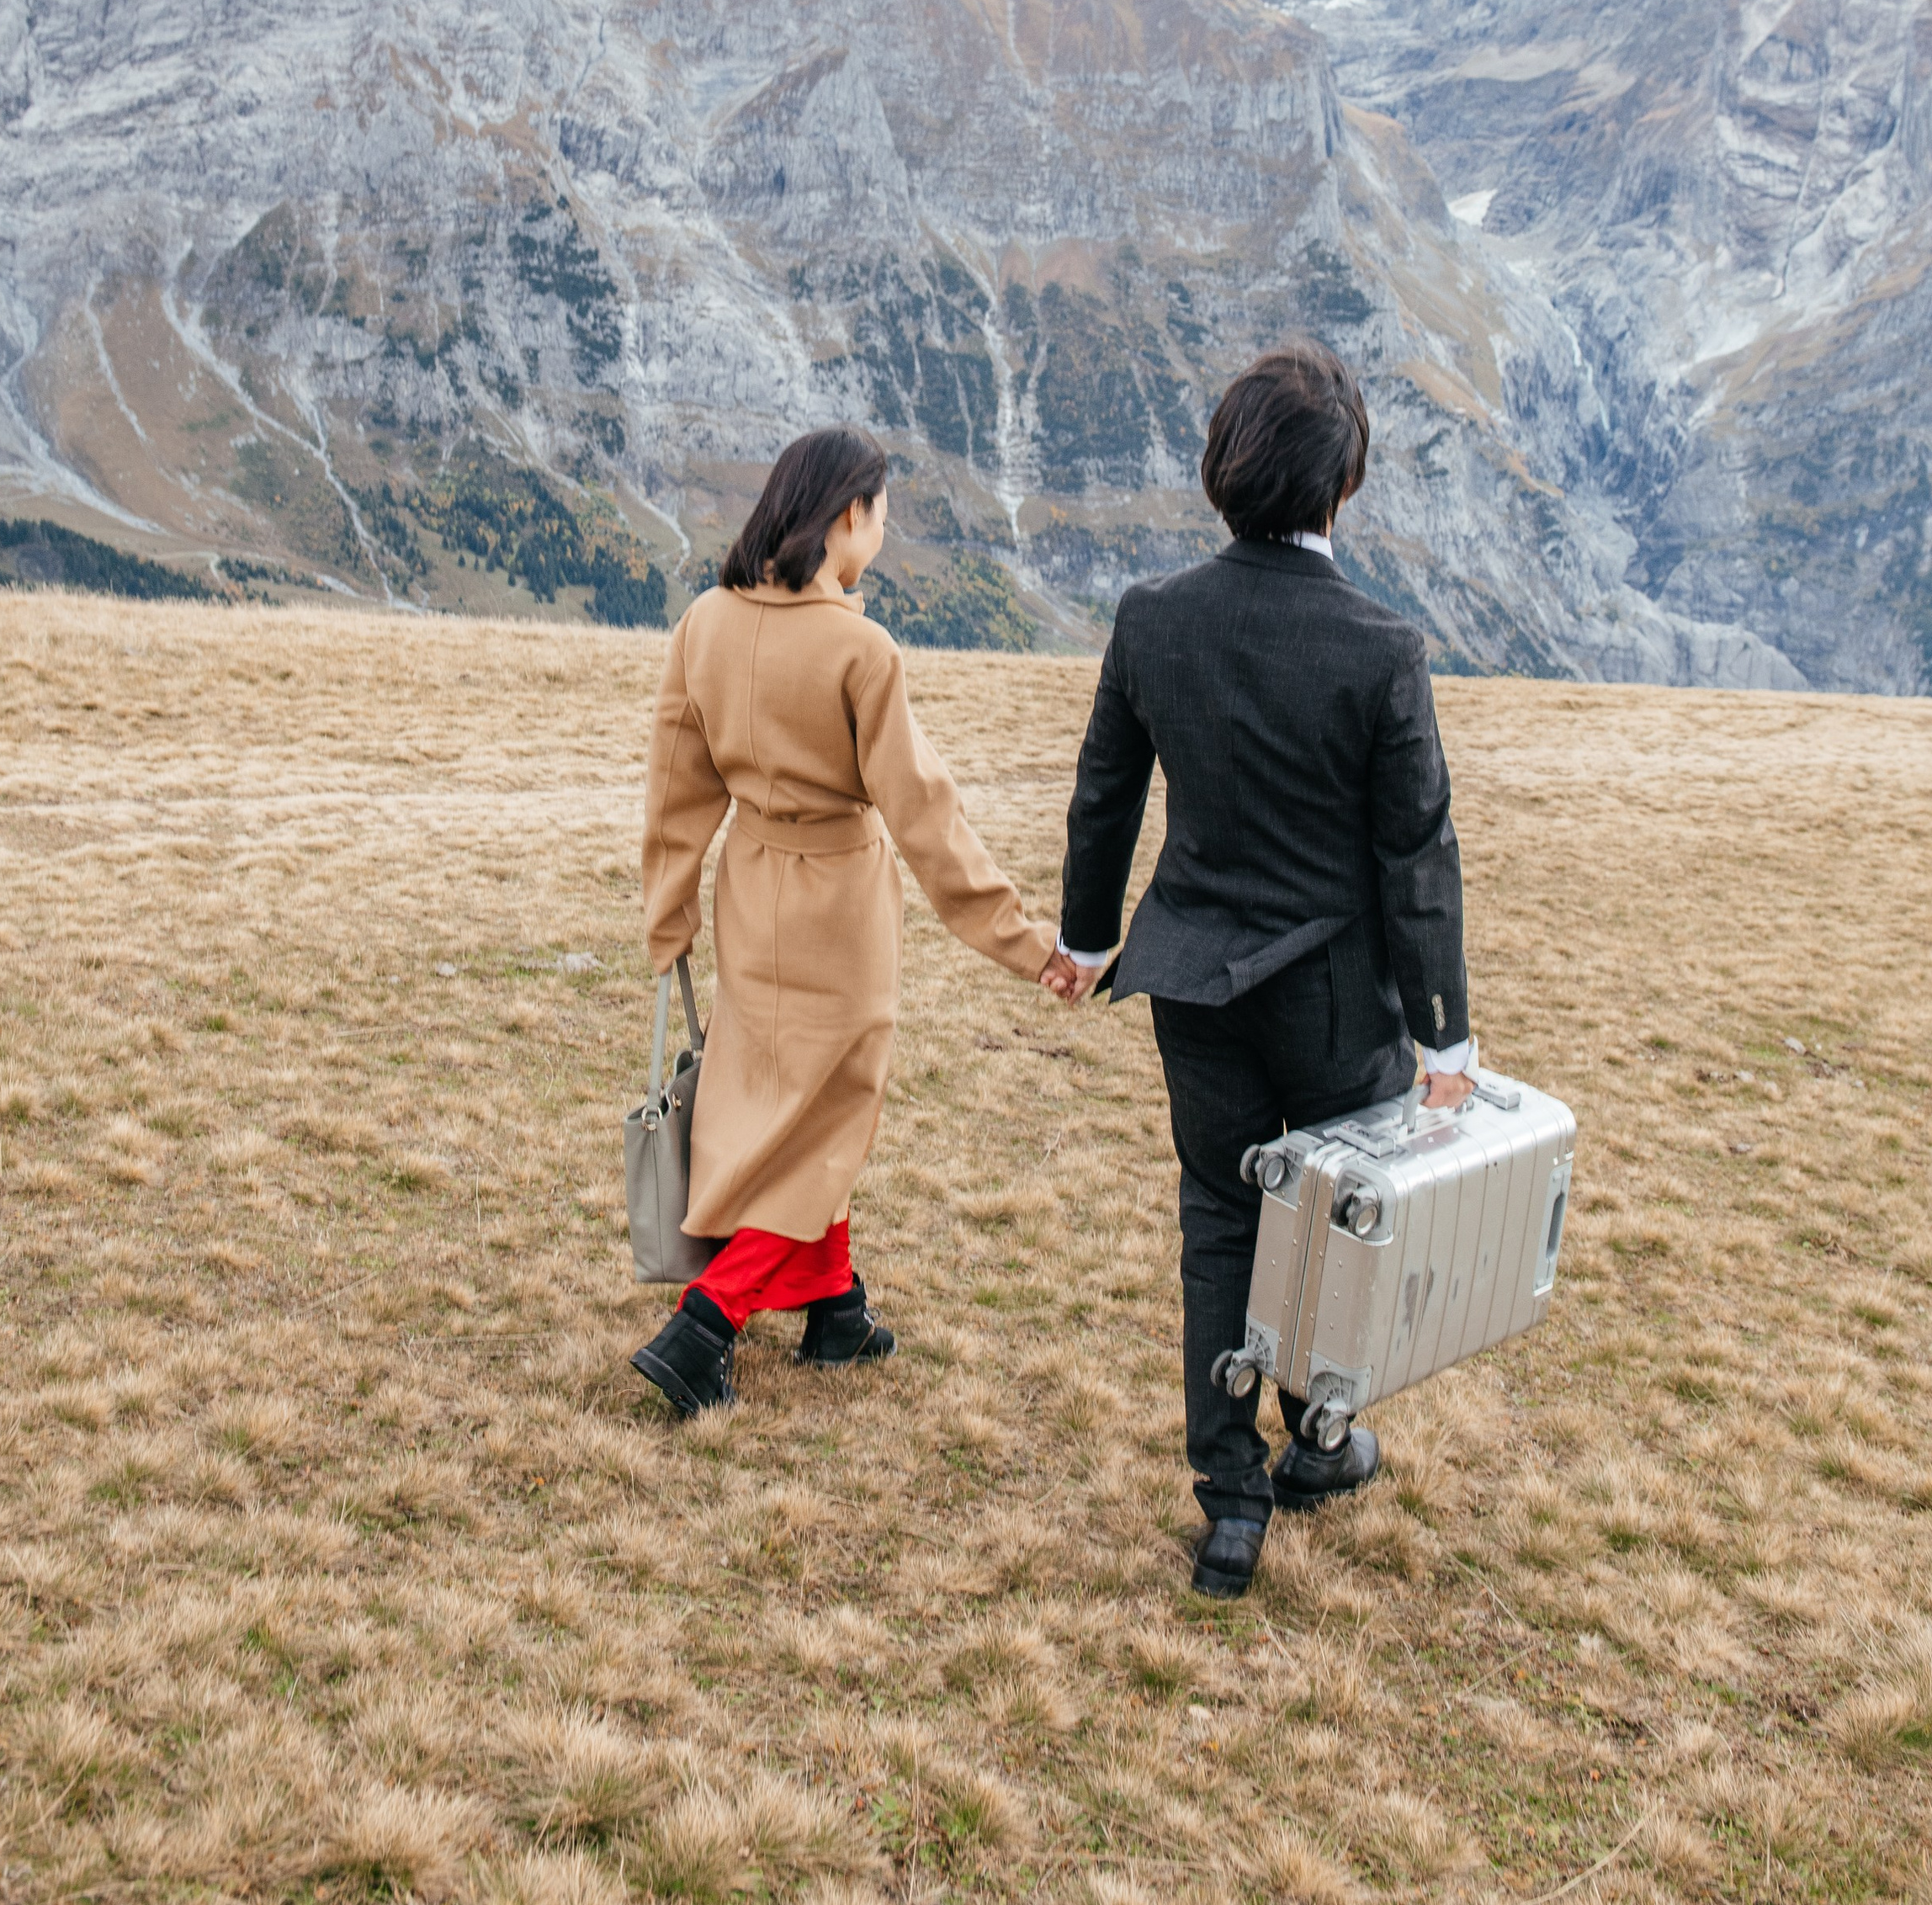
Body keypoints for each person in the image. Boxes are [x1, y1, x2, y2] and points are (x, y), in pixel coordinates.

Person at [1053, 343, 1476, 1600]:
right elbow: (1417, 857)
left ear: (1222, 472)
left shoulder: (1152, 616)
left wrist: (1087, 942)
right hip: (1340, 997)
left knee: (1219, 1222)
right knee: (1341, 1226)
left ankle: (1229, 1503)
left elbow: (1104, 799)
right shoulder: (1381, 646)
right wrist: (1445, 1041)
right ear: (1342, 484)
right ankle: (1320, 1444)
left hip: (1190, 981)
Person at [633, 425, 1079, 1414]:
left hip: (751, 884)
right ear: (846, 516)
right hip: (838, 900)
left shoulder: (704, 622)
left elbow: (675, 786)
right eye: (879, 513)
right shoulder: (859, 649)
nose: (881, 530)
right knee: (830, 1112)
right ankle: (706, 1321)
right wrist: (1025, 944)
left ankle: (836, 1308)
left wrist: (669, 920)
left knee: (779, 1096)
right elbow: (925, 817)